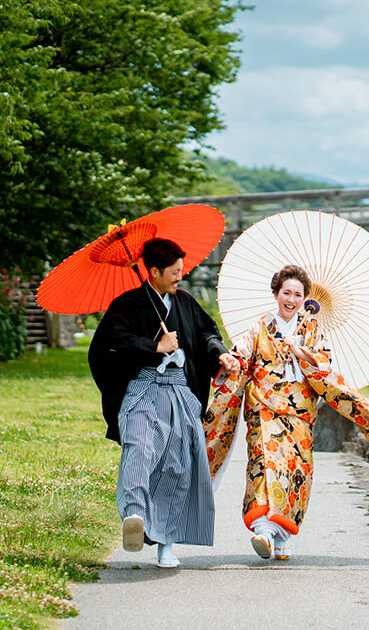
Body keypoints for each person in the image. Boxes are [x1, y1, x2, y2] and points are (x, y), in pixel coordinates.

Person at [204, 264, 369, 561]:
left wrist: (303, 354)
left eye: (297, 294)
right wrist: (233, 362)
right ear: (276, 294)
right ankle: (264, 530)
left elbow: (324, 367)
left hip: (299, 412)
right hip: (264, 408)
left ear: (304, 298)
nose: (291, 299)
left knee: (297, 471)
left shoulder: (312, 329)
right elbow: (241, 353)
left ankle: (280, 535)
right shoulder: (259, 327)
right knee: (265, 463)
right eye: (286, 292)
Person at [88, 237, 236, 569]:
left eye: (181, 271)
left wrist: (220, 354)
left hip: (180, 393)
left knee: (177, 466)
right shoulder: (127, 304)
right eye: (173, 272)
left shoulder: (184, 301)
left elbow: (206, 334)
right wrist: (153, 346)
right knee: (139, 446)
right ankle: (135, 514)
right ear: (153, 271)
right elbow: (107, 346)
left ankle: (166, 544)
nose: (179, 277)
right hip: (143, 389)